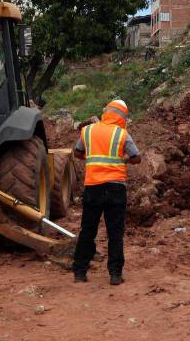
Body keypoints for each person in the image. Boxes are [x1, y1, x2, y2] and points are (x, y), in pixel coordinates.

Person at [72, 99, 141, 286]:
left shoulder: (88, 131)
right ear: (122, 116)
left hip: (93, 187)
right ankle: (115, 275)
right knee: (115, 233)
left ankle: (79, 272)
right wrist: (123, 160)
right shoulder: (122, 133)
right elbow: (137, 157)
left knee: (87, 230)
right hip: (116, 188)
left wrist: (92, 158)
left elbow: (77, 153)